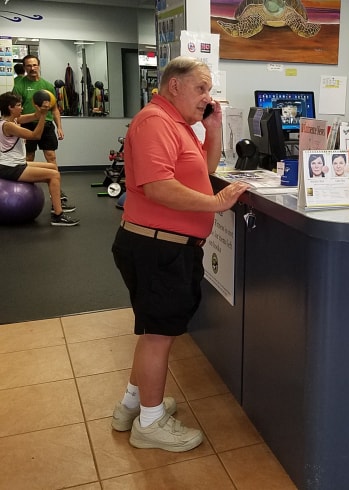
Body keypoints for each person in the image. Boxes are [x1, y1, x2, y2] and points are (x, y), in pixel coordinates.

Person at [110, 57, 249, 452]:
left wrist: (213, 129)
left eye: (209, 90)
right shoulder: (154, 121)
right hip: (158, 247)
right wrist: (217, 203)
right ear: (175, 86)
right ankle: (150, 423)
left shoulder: (177, 124)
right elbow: (158, 186)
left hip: (166, 246)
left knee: (152, 331)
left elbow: (202, 171)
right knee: (158, 336)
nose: (208, 97)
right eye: (201, 88)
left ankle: (132, 405)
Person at [0, 92, 79, 226]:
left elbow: (35, 116)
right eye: (19, 105)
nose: (22, 108)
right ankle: (58, 216)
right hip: (10, 167)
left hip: (15, 163)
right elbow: (35, 135)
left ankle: (56, 204)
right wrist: (43, 115)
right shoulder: (8, 126)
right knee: (54, 175)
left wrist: (41, 110)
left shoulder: (14, 120)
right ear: (10, 108)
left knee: (52, 167)